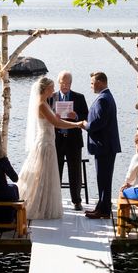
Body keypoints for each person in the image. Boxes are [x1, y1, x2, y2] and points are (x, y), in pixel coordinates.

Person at [17, 77, 83, 220]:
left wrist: (57, 118)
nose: (54, 90)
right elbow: (57, 123)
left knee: (47, 175)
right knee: (42, 175)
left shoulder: (45, 103)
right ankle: (38, 206)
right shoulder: (41, 104)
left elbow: (54, 120)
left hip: (49, 142)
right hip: (45, 144)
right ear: (46, 89)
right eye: (52, 87)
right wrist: (77, 125)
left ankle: (44, 205)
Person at [81, 72, 121, 219]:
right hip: (106, 145)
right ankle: (102, 206)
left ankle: (103, 210)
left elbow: (98, 123)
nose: (91, 86)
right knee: (103, 178)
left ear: (100, 82)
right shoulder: (106, 97)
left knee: (103, 178)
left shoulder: (103, 99)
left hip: (104, 146)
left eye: (92, 83)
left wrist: (85, 125)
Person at [49, 71, 89, 211]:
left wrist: (76, 115)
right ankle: (55, 200)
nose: (65, 86)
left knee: (75, 171)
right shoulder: (51, 97)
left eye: (68, 83)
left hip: (73, 140)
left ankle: (76, 201)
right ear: (58, 82)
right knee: (56, 170)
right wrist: (54, 116)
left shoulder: (79, 97)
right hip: (56, 139)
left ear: (71, 84)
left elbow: (86, 116)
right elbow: (45, 116)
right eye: (63, 83)